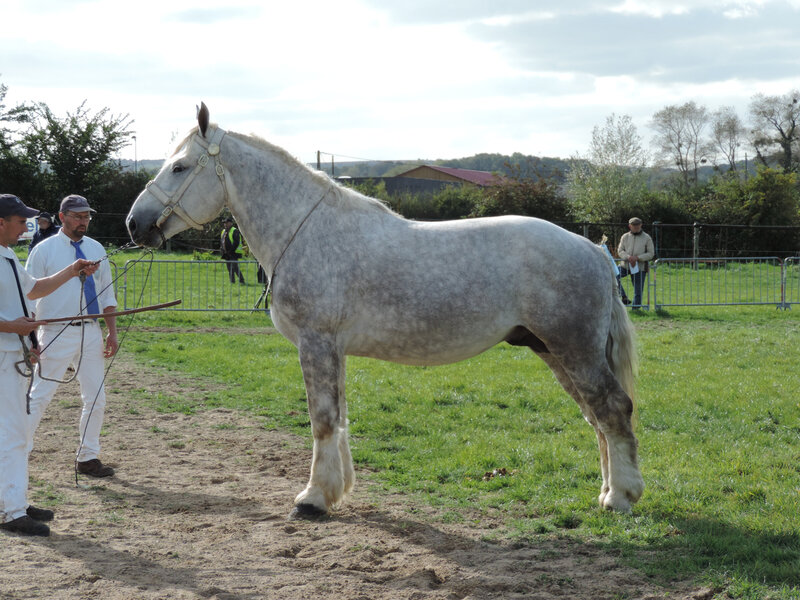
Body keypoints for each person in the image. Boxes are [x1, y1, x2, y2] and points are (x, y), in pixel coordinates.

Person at [1, 193, 98, 536]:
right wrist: (13, 328)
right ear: (1, 222)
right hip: (2, 357)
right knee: (13, 435)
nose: (25, 225)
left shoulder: (10, 256)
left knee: (14, 435)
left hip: (14, 356)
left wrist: (73, 271)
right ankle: (11, 511)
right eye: (19, 220)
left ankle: (13, 502)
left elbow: (34, 290)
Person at [25, 195, 118, 479]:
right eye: (77, 216)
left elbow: (107, 295)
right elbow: (28, 295)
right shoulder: (43, 251)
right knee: (40, 396)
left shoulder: (96, 248)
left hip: (90, 331)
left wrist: (111, 332)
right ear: (62, 217)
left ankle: (88, 457)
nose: (83, 221)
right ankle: (17, 452)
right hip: (54, 331)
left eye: (86, 216)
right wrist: (32, 338)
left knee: (96, 397)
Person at [617, 217, 655, 308]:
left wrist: (638, 258)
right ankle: (623, 296)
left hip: (640, 267)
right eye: (634, 225)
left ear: (641, 225)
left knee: (638, 291)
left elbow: (651, 253)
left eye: (638, 225)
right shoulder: (624, 237)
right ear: (629, 226)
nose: (636, 227)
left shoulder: (647, 238)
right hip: (625, 265)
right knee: (613, 275)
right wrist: (628, 257)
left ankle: (636, 309)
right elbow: (620, 251)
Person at [220, 216, 245, 284]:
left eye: (227, 223)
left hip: (234, 253)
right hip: (226, 253)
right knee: (229, 268)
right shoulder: (223, 231)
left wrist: (230, 251)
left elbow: (236, 243)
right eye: (224, 223)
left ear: (231, 223)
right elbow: (222, 241)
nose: (225, 224)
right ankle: (232, 281)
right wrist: (222, 250)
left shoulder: (235, 230)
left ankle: (242, 280)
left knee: (235, 267)